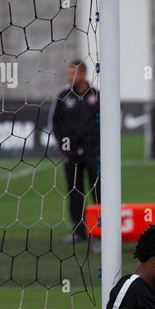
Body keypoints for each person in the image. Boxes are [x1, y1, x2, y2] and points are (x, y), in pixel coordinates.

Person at [49, 61, 100, 244]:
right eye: (68, 73)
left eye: (73, 73)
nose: (69, 77)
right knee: (75, 192)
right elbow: (55, 124)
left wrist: (99, 149)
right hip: (71, 155)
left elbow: (106, 123)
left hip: (93, 153)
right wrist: (64, 150)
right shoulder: (63, 96)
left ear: (83, 73)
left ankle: (101, 231)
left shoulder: (96, 95)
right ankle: (79, 232)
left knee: (99, 192)